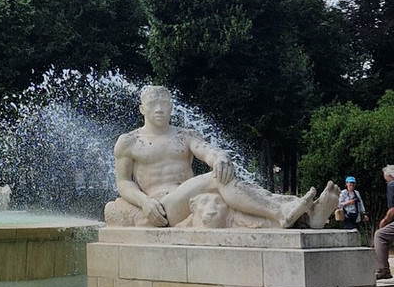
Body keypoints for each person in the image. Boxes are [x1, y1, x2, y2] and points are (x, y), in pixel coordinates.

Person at [107, 85, 336, 228]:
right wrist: (145, 202)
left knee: (234, 191)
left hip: (195, 199)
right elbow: (123, 182)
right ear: (142, 109)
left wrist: (219, 157)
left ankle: (306, 217)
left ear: (171, 107)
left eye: (164, 104)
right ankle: (282, 210)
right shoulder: (130, 141)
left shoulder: (186, 135)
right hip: (163, 207)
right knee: (219, 178)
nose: (159, 109)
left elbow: (207, 150)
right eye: (152, 104)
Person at [372, 165, 394, 279]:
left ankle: (383, 270)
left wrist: (384, 221)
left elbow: (392, 210)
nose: (386, 182)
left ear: (390, 176)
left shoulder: (392, 184)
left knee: (380, 235)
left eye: (386, 179)